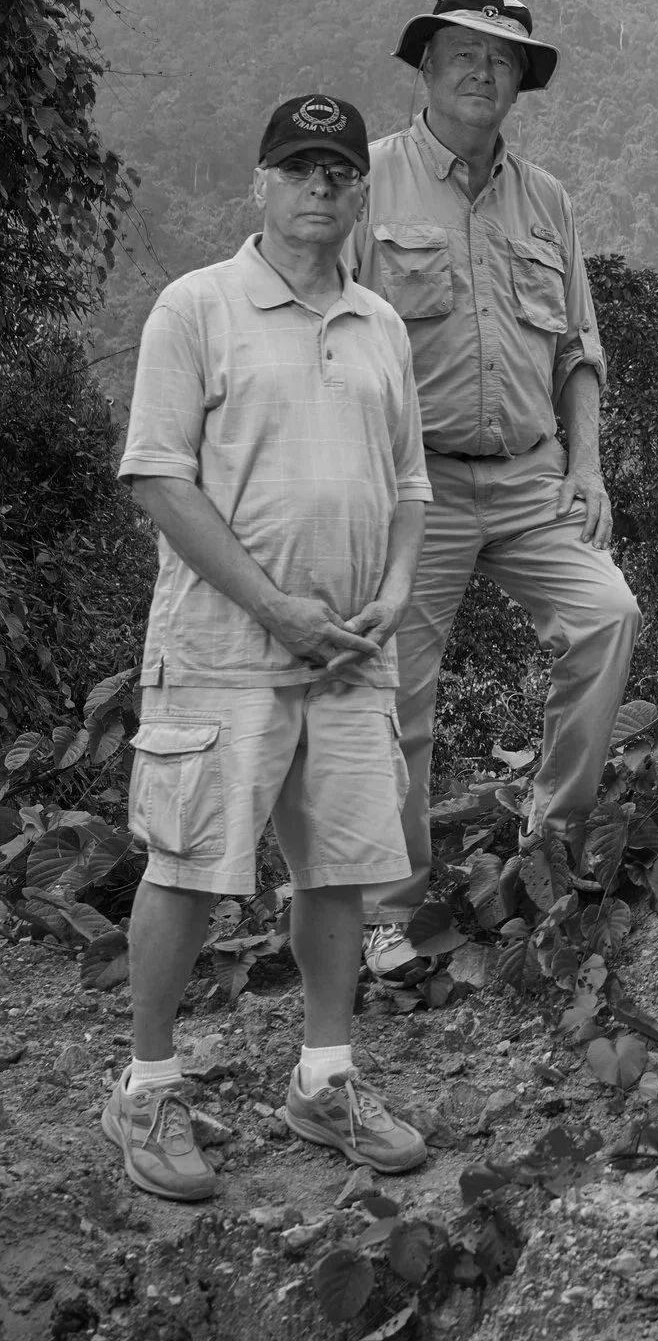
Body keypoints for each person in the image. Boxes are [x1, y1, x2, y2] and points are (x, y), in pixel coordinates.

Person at [110, 95, 434, 1200]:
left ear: (358, 190)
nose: (321, 185)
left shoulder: (381, 323)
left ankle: (326, 1074)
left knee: (338, 867)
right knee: (190, 862)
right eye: (298, 166)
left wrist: (390, 592)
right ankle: (148, 1085)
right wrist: (273, 603)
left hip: (349, 652)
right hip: (221, 648)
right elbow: (158, 475)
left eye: (339, 169)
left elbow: (409, 484)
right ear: (260, 182)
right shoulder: (196, 307)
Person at [352, 0, 640, 983]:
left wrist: (586, 464)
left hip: (527, 476)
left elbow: (578, 349)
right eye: (463, 54)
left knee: (606, 616)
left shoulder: (547, 199)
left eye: (503, 60)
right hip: (410, 481)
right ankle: (387, 910)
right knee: (397, 692)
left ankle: (547, 840)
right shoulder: (369, 183)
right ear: (425, 66)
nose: (482, 72)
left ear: (522, 81)